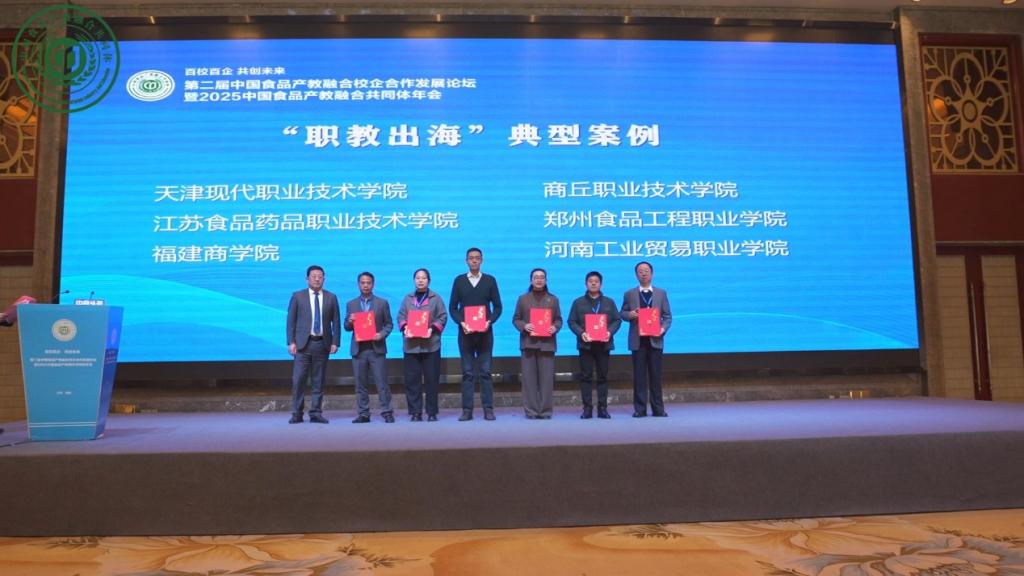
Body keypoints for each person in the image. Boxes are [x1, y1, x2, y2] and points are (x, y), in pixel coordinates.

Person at [449, 247, 503, 421]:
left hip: (485, 334)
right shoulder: (459, 281)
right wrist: (462, 322)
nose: (474, 260)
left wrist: (489, 321)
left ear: (482, 260)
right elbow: (453, 308)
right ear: (466, 261)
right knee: (467, 373)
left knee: (486, 372)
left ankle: (488, 409)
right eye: (471, 258)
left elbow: (498, 307)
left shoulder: (490, 280)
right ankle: (467, 410)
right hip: (465, 333)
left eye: (477, 258)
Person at [286, 265, 342, 424]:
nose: (317, 279)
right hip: (302, 345)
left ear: (324, 278)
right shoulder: (298, 296)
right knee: (299, 380)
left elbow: (336, 322)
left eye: (320, 276)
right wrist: (291, 342)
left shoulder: (331, 297)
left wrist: (335, 342)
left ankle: (316, 413)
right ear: (307, 279)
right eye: (314, 276)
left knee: (319, 381)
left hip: (322, 344)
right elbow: (291, 321)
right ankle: (297, 413)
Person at [621, 261, 673, 417]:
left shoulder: (661, 293)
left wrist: (661, 330)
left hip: (655, 340)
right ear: (636, 275)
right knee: (639, 376)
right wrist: (630, 314)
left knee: (656, 376)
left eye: (646, 271)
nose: (643, 273)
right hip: (637, 341)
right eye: (640, 271)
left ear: (652, 273)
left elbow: (667, 317)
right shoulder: (629, 294)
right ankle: (640, 409)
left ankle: (658, 409)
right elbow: (622, 313)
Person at [567, 271, 622, 419]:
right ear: (586, 284)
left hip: (604, 345)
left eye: (596, 281)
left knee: (603, 377)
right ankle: (587, 408)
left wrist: (609, 332)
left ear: (601, 284)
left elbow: (617, 320)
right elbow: (571, 321)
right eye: (590, 281)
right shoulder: (578, 302)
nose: (593, 283)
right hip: (585, 345)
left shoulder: (609, 302)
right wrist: (581, 333)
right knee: (586, 377)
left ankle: (602, 408)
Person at [397, 268, 448, 422]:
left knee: (432, 380)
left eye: (424, 278)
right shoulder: (407, 298)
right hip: (411, 346)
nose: (420, 280)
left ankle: (432, 412)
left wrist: (432, 329)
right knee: (412, 381)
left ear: (429, 281)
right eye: (418, 278)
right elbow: (401, 316)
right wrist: (405, 327)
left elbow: (442, 317)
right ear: (414, 280)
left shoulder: (436, 298)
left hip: (431, 345)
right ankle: (415, 412)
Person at [344, 272, 395, 423]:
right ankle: (363, 413)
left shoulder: (382, 303)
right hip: (358, 350)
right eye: (363, 282)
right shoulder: (351, 304)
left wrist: (381, 334)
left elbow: (389, 324)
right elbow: (346, 327)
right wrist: (350, 321)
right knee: (360, 385)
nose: (365, 285)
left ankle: (387, 412)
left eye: (368, 282)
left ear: (373, 284)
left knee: (382, 383)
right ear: (358, 284)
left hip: (376, 349)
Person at [512, 268, 562, 419]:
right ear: (531, 280)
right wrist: (524, 326)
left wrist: (555, 327)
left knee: (547, 381)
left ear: (546, 280)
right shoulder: (523, 299)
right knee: (529, 381)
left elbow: (558, 320)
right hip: (528, 343)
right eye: (536, 277)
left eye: (542, 277)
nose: (539, 280)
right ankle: (531, 411)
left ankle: (545, 411)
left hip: (547, 344)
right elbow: (516, 319)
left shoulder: (553, 299)